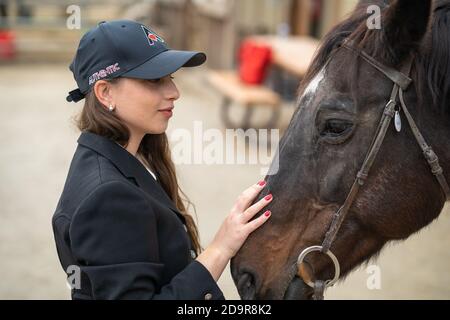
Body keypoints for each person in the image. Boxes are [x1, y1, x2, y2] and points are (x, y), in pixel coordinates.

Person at [52, 20, 273, 300]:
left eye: (171, 78)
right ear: (105, 92)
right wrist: (221, 248)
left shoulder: (124, 156)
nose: (174, 92)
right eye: (153, 80)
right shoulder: (108, 196)